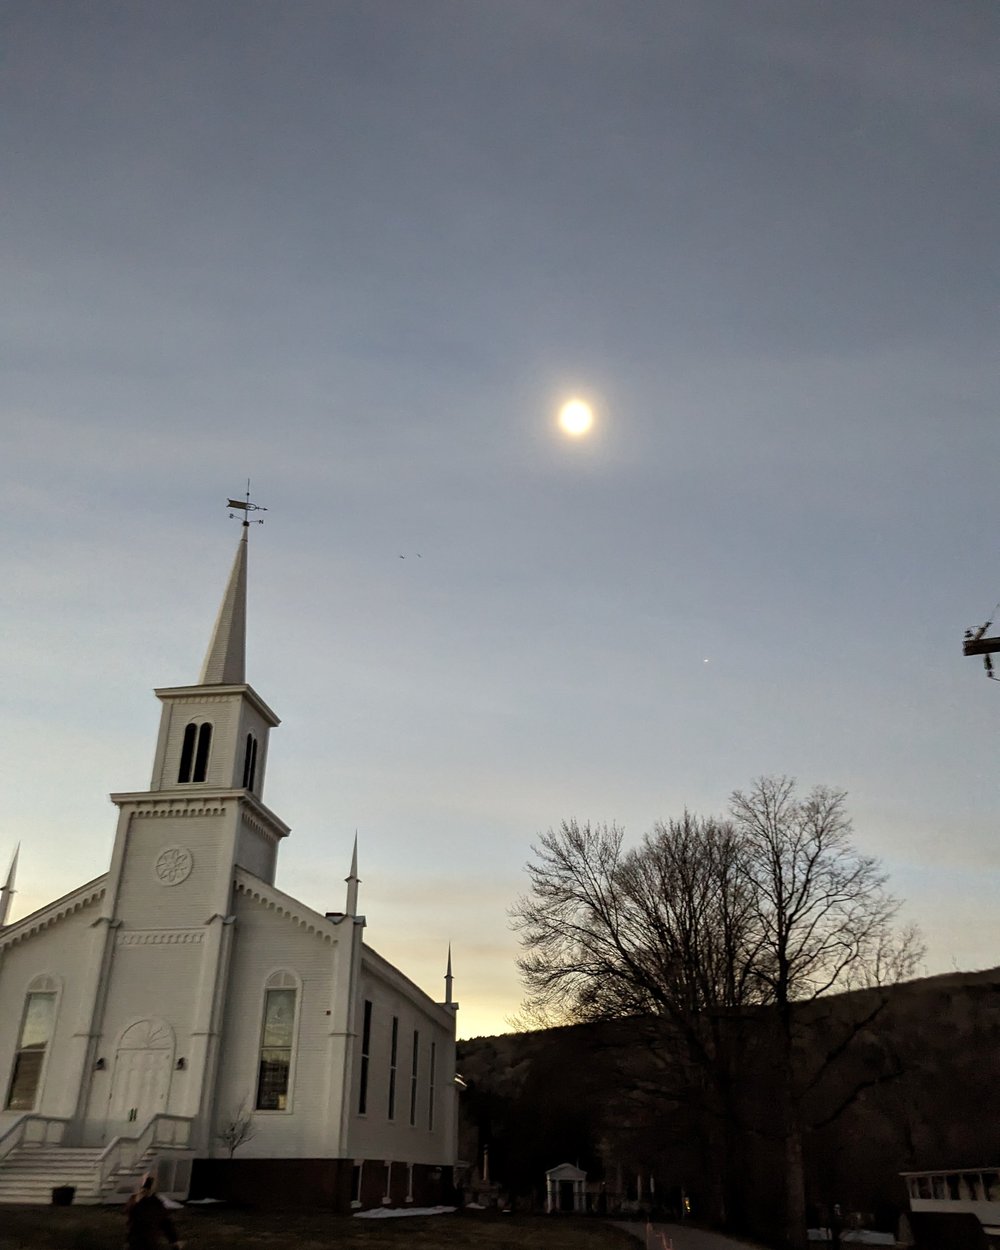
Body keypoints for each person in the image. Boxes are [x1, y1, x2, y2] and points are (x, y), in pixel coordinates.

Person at [125, 1173, 181, 1250]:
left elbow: (165, 1222)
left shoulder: (156, 1203)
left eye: (147, 1188)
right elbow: (129, 1211)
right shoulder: (137, 1200)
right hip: (138, 1240)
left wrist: (174, 1240)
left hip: (148, 1240)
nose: (146, 1191)